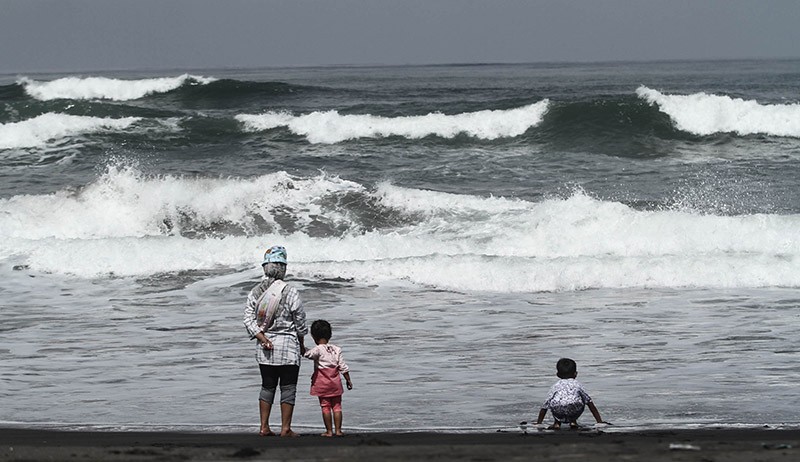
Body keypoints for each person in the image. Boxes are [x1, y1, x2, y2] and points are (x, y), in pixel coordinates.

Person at [243, 245, 308, 437]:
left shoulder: (255, 292)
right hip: (288, 348)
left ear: (265, 267)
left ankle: (264, 427)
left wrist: (262, 337)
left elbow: (247, 319)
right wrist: (302, 343)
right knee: (288, 388)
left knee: (267, 386)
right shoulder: (290, 292)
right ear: (283, 268)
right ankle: (285, 428)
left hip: (265, 350)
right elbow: (301, 322)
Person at [303, 319, 353, 437]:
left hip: (322, 383)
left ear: (313, 337)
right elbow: (343, 367)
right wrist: (348, 380)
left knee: (325, 407)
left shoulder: (318, 350)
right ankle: (338, 430)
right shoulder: (337, 349)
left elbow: (307, 354)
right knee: (337, 406)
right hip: (335, 383)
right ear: (330, 335)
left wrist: (301, 344)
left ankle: (329, 431)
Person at [535, 358, 608, 429]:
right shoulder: (577, 384)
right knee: (580, 400)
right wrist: (599, 421)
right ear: (575, 374)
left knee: (555, 401)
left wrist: (539, 423)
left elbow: (545, 405)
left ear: (557, 374)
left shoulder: (555, 386)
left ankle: (557, 423)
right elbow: (589, 402)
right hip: (574, 411)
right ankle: (573, 422)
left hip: (558, 411)